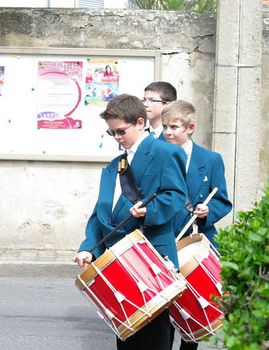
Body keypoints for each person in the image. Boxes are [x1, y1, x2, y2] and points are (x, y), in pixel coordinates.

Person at [73, 94, 187, 350]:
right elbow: (101, 212)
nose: (117, 138)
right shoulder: (116, 164)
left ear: (139, 122)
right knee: (126, 338)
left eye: (121, 131)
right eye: (111, 132)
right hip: (118, 260)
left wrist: (148, 210)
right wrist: (88, 247)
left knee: (155, 339)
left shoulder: (166, 152)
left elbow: (177, 196)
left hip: (152, 256)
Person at [162, 100, 232, 350]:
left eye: (174, 127)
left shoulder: (211, 159)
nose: (168, 132)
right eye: (165, 127)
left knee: (192, 308)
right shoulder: (157, 153)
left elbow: (223, 200)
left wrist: (207, 211)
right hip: (165, 239)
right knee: (164, 312)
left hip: (196, 242)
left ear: (190, 128)